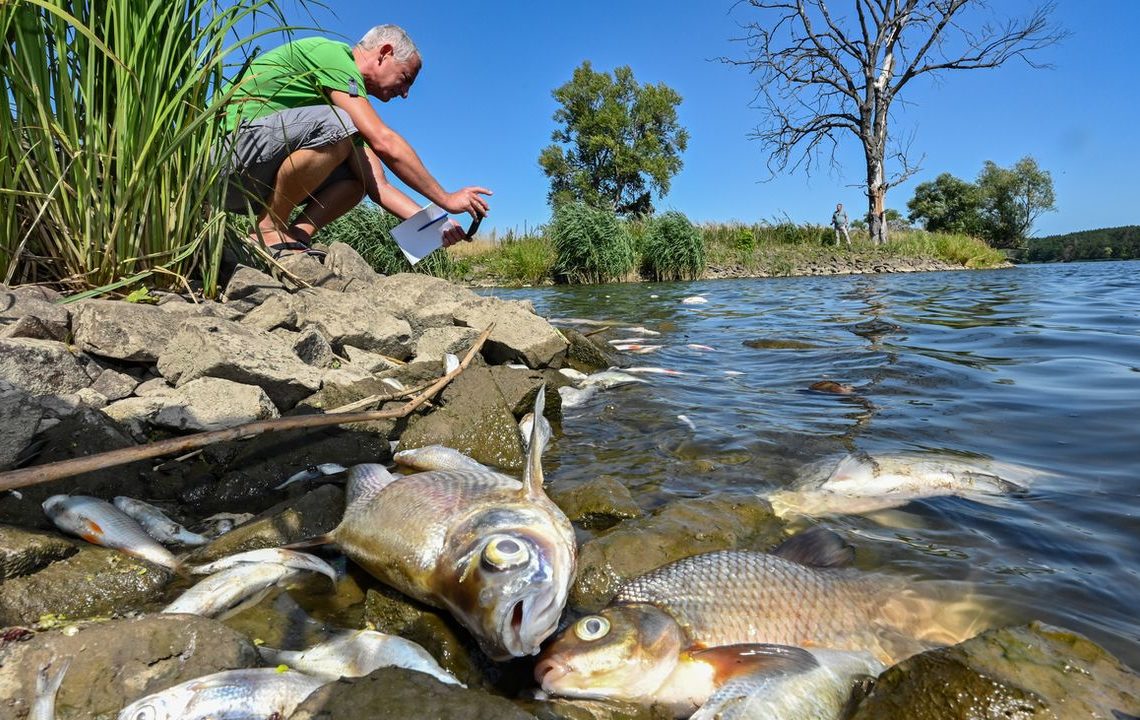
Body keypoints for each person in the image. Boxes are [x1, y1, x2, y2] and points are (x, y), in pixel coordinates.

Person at [218, 25, 490, 258]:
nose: (405, 93)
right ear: (385, 53)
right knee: (335, 124)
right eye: (406, 79)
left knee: (359, 176)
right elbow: (384, 141)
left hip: (248, 178)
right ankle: (268, 228)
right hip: (223, 161)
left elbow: (378, 186)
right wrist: (446, 199)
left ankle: (296, 235)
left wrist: (437, 227)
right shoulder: (332, 56)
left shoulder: (343, 108)